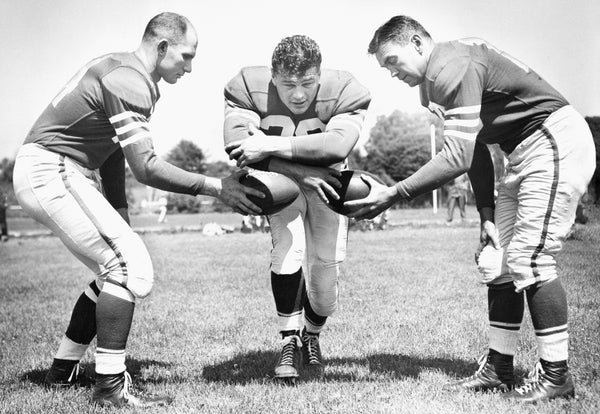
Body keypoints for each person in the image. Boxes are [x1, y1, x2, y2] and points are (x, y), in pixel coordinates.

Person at [12, 12, 263, 407]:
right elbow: (145, 166)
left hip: (57, 167)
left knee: (112, 269)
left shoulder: (123, 69)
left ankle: (61, 372)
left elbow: (112, 152)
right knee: (130, 269)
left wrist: (120, 210)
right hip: (53, 167)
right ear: (162, 47)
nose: (190, 67)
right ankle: (110, 387)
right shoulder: (130, 81)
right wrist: (218, 187)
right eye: (185, 56)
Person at [348, 16, 595, 402]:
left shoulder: (451, 65)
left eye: (392, 60)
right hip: (521, 153)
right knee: (496, 262)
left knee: (530, 258)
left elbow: (457, 156)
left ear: (417, 43)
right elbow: (476, 149)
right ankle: (500, 367)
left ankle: (556, 374)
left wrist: (393, 193)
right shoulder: (432, 82)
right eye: (385, 67)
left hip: (552, 139)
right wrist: (486, 214)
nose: (391, 72)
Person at [224, 35, 371, 381]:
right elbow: (236, 146)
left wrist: (269, 144)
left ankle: (312, 334)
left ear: (320, 75)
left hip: (328, 185)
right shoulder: (247, 85)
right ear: (273, 77)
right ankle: (288, 340)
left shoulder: (346, 88)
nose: (299, 94)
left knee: (324, 285)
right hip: (282, 183)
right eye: (288, 84)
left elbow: (337, 146)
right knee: (287, 253)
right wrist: (299, 172)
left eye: (307, 83)